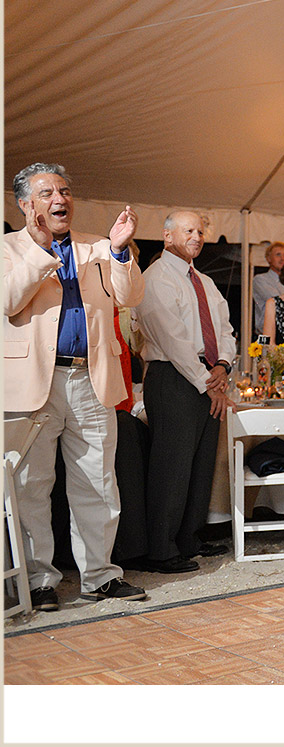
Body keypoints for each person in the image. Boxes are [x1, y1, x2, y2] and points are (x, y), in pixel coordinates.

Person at [4, 163, 148, 610]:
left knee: (98, 482)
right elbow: (9, 301)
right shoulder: (9, 248)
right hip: (33, 384)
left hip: (91, 376)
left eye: (64, 190)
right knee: (31, 485)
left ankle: (100, 576)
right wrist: (41, 247)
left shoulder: (99, 246)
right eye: (46, 193)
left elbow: (130, 296)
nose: (59, 199)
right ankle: (40, 580)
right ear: (26, 205)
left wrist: (122, 253)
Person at [134, 210, 237, 572]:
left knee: (200, 463)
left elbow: (226, 329)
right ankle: (160, 548)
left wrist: (222, 367)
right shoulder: (154, 279)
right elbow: (173, 340)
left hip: (207, 377)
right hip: (173, 378)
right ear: (166, 237)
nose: (197, 236)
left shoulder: (205, 282)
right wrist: (209, 383)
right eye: (188, 230)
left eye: (200, 231)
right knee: (172, 466)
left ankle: (188, 538)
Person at [252, 240, 284, 335]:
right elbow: (278, 301)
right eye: (278, 255)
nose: (282, 258)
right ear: (268, 258)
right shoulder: (260, 279)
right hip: (265, 334)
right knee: (264, 349)